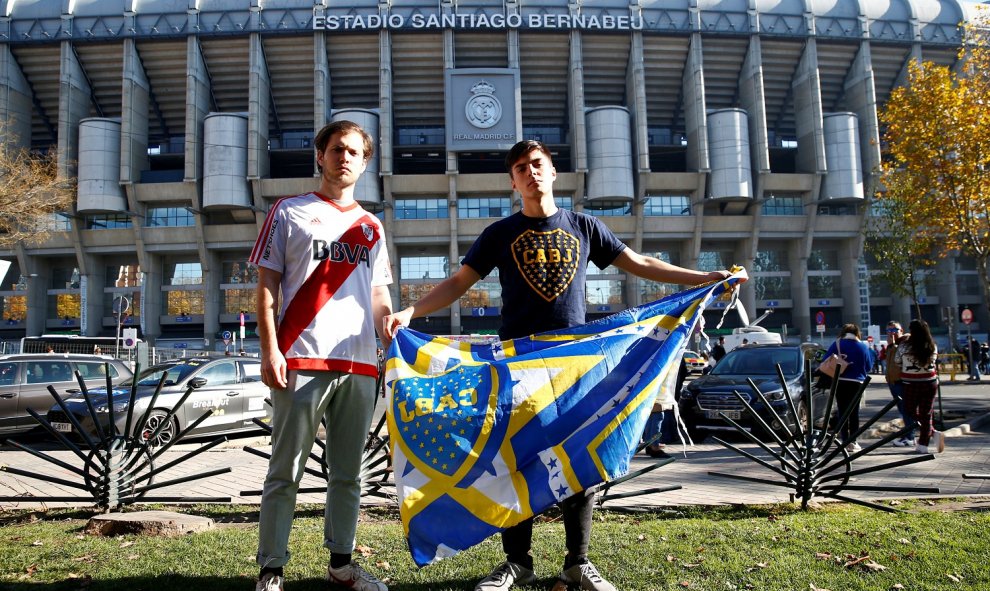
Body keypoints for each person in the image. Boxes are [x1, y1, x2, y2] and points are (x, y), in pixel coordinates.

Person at [382, 139, 740, 591]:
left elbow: (640, 263)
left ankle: (578, 562)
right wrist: (409, 313)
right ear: (513, 182)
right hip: (518, 365)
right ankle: (517, 563)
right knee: (517, 458)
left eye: (537, 165)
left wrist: (707, 277)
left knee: (579, 455)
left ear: (553, 173)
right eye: (520, 169)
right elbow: (458, 281)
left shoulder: (585, 227)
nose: (530, 173)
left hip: (576, 362)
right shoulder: (500, 233)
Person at [249, 120, 393, 591]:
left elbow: (377, 296)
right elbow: (267, 287)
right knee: (284, 470)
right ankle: (271, 568)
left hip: (359, 366)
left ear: (365, 162)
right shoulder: (288, 211)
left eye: (354, 152)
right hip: (300, 358)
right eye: (336, 149)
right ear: (320, 155)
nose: (344, 158)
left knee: (348, 475)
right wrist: (270, 349)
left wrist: (391, 325)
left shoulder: (372, 227)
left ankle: (341, 565)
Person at [822, 323, 874, 452]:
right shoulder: (863, 346)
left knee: (842, 410)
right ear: (857, 332)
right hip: (857, 383)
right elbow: (868, 366)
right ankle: (853, 441)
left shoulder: (837, 344)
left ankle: (844, 440)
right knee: (854, 412)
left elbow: (825, 359)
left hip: (840, 381)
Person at [894, 319, 944, 454]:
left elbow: (897, 361)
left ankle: (932, 432)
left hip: (911, 383)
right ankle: (924, 444)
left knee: (909, 411)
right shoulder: (932, 345)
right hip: (930, 382)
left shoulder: (904, 346)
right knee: (926, 414)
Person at [885, 321, 916, 447]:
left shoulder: (905, 342)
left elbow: (901, 359)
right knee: (902, 411)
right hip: (893, 381)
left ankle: (910, 436)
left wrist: (892, 346)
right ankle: (907, 434)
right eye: (889, 331)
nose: (892, 333)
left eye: (895, 330)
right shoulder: (891, 345)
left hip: (902, 381)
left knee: (906, 410)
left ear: (901, 330)